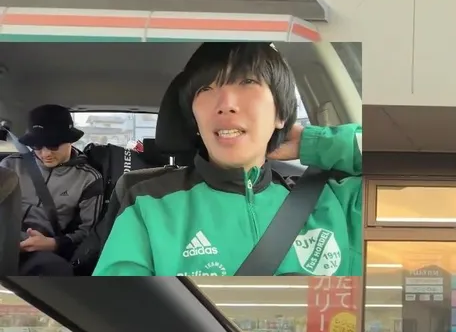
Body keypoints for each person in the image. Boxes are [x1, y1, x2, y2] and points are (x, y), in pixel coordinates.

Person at [93, 42, 362, 276]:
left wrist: (315, 143)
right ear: (195, 119)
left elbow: (390, 154)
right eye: (206, 88)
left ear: (280, 113)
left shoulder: (336, 203)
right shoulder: (148, 206)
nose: (225, 104)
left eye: (247, 82)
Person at [0, 105, 105, 276]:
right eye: (37, 146)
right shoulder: (10, 165)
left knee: (57, 271)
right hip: (3, 239)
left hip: (41, 249)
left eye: (54, 145)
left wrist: (53, 244)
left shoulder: (89, 179)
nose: (45, 153)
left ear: (70, 140)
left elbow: (88, 233)